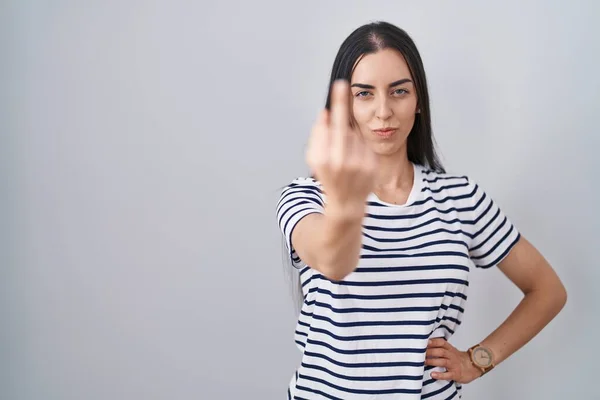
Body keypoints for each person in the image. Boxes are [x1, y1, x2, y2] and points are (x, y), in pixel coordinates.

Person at [275, 21, 567, 399]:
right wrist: (348, 199)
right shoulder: (305, 199)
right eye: (364, 94)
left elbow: (547, 290)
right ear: (344, 107)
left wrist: (479, 359)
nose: (384, 111)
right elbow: (332, 259)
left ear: (419, 102)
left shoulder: (461, 198)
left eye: (399, 91)